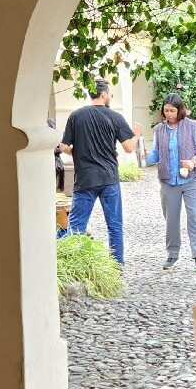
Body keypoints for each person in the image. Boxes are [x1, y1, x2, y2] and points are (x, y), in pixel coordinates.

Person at [59, 79, 142, 267]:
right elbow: (129, 147)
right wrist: (136, 133)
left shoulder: (76, 116)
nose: (110, 96)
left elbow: (64, 147)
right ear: (104, 94)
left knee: (77, 225)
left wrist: (78, 152)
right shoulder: (115, 117)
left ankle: (73, 264)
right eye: (110, 93)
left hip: (84, 179)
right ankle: (117, 266)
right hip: (109, 178)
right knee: (114, 225)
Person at [146, 92, 196, 272]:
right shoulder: (159, 129)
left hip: (191, 180)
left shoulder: (192, 126)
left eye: (172, 111)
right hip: (168, 181)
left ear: (179, 110)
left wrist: (193, 162)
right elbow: (155, 154)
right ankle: (172, 254)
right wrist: (141, 156)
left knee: (194, 217)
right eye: (166, 111)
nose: (169, 114)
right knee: (171, 220)